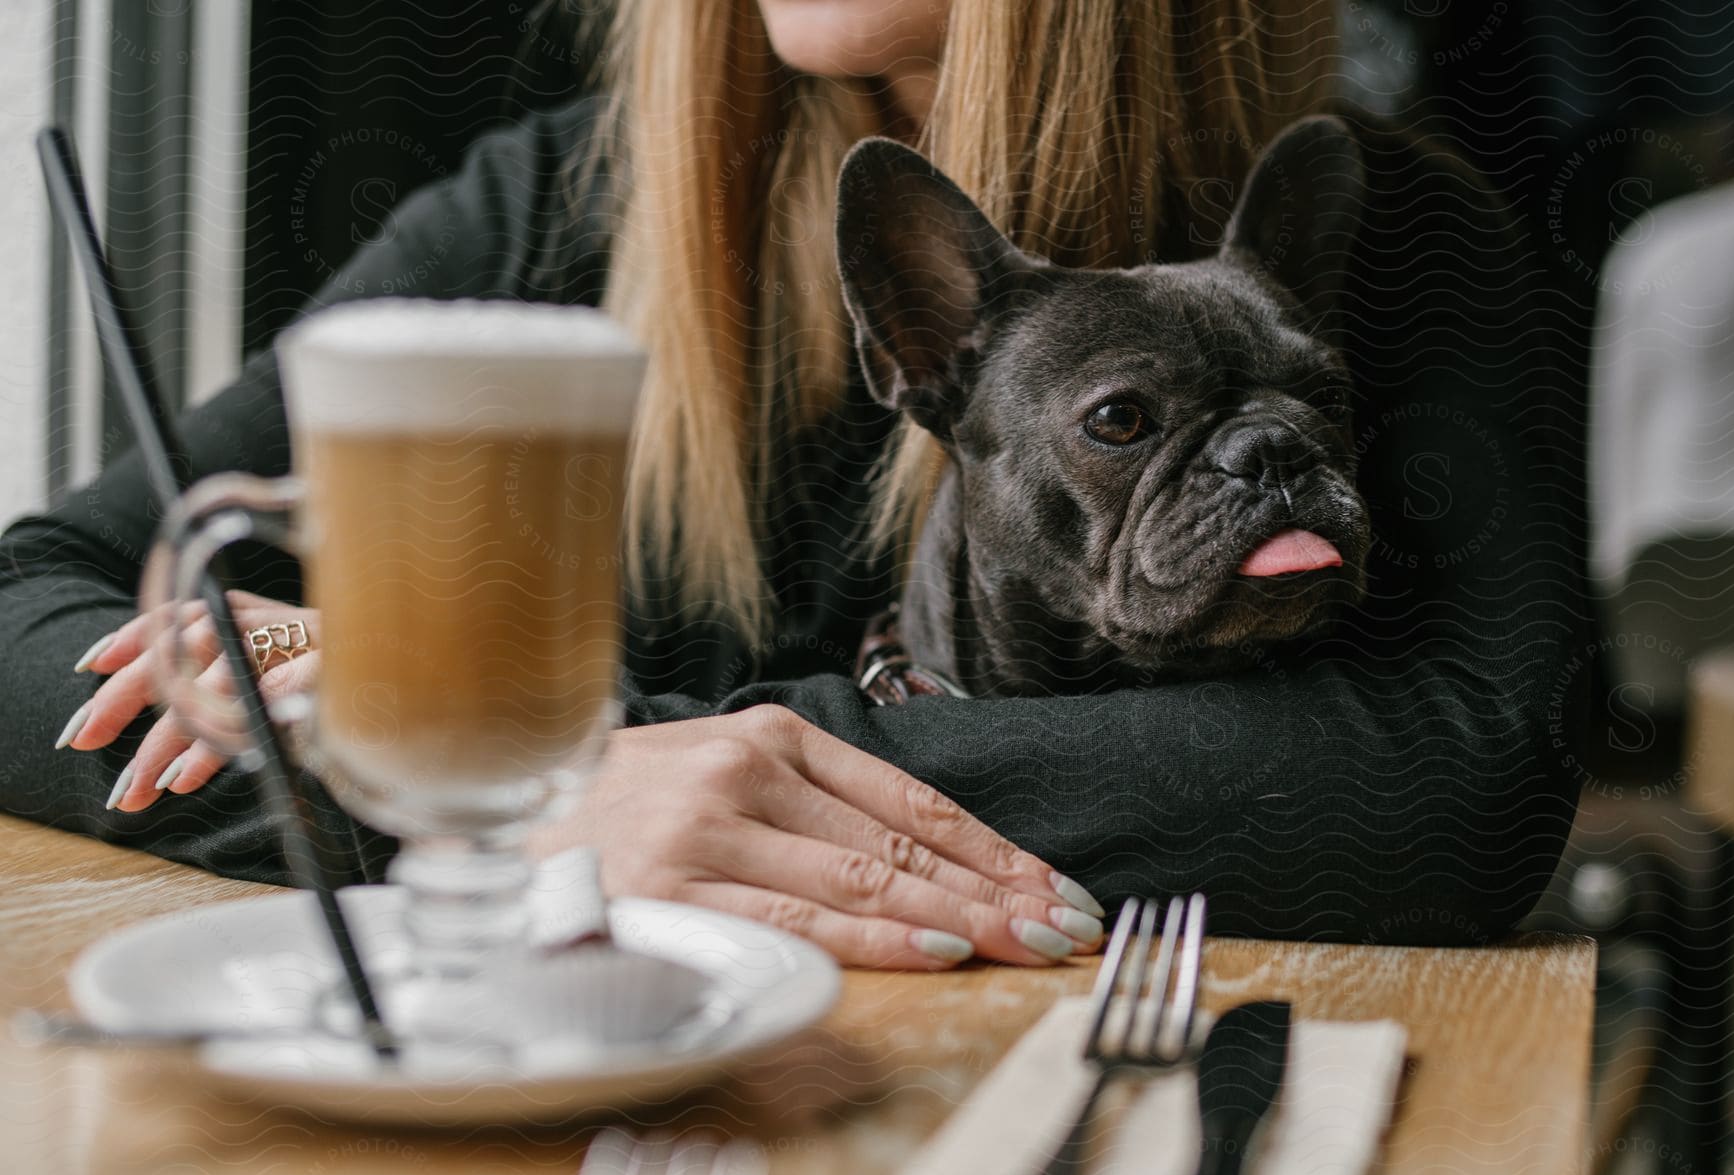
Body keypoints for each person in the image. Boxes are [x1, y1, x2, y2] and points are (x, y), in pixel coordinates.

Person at [0, 0, 1588, 966]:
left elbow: (1449, 783)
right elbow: (28, 609)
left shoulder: (1386, 229)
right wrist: (506, 796)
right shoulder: (562, 209)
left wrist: (650, 770)